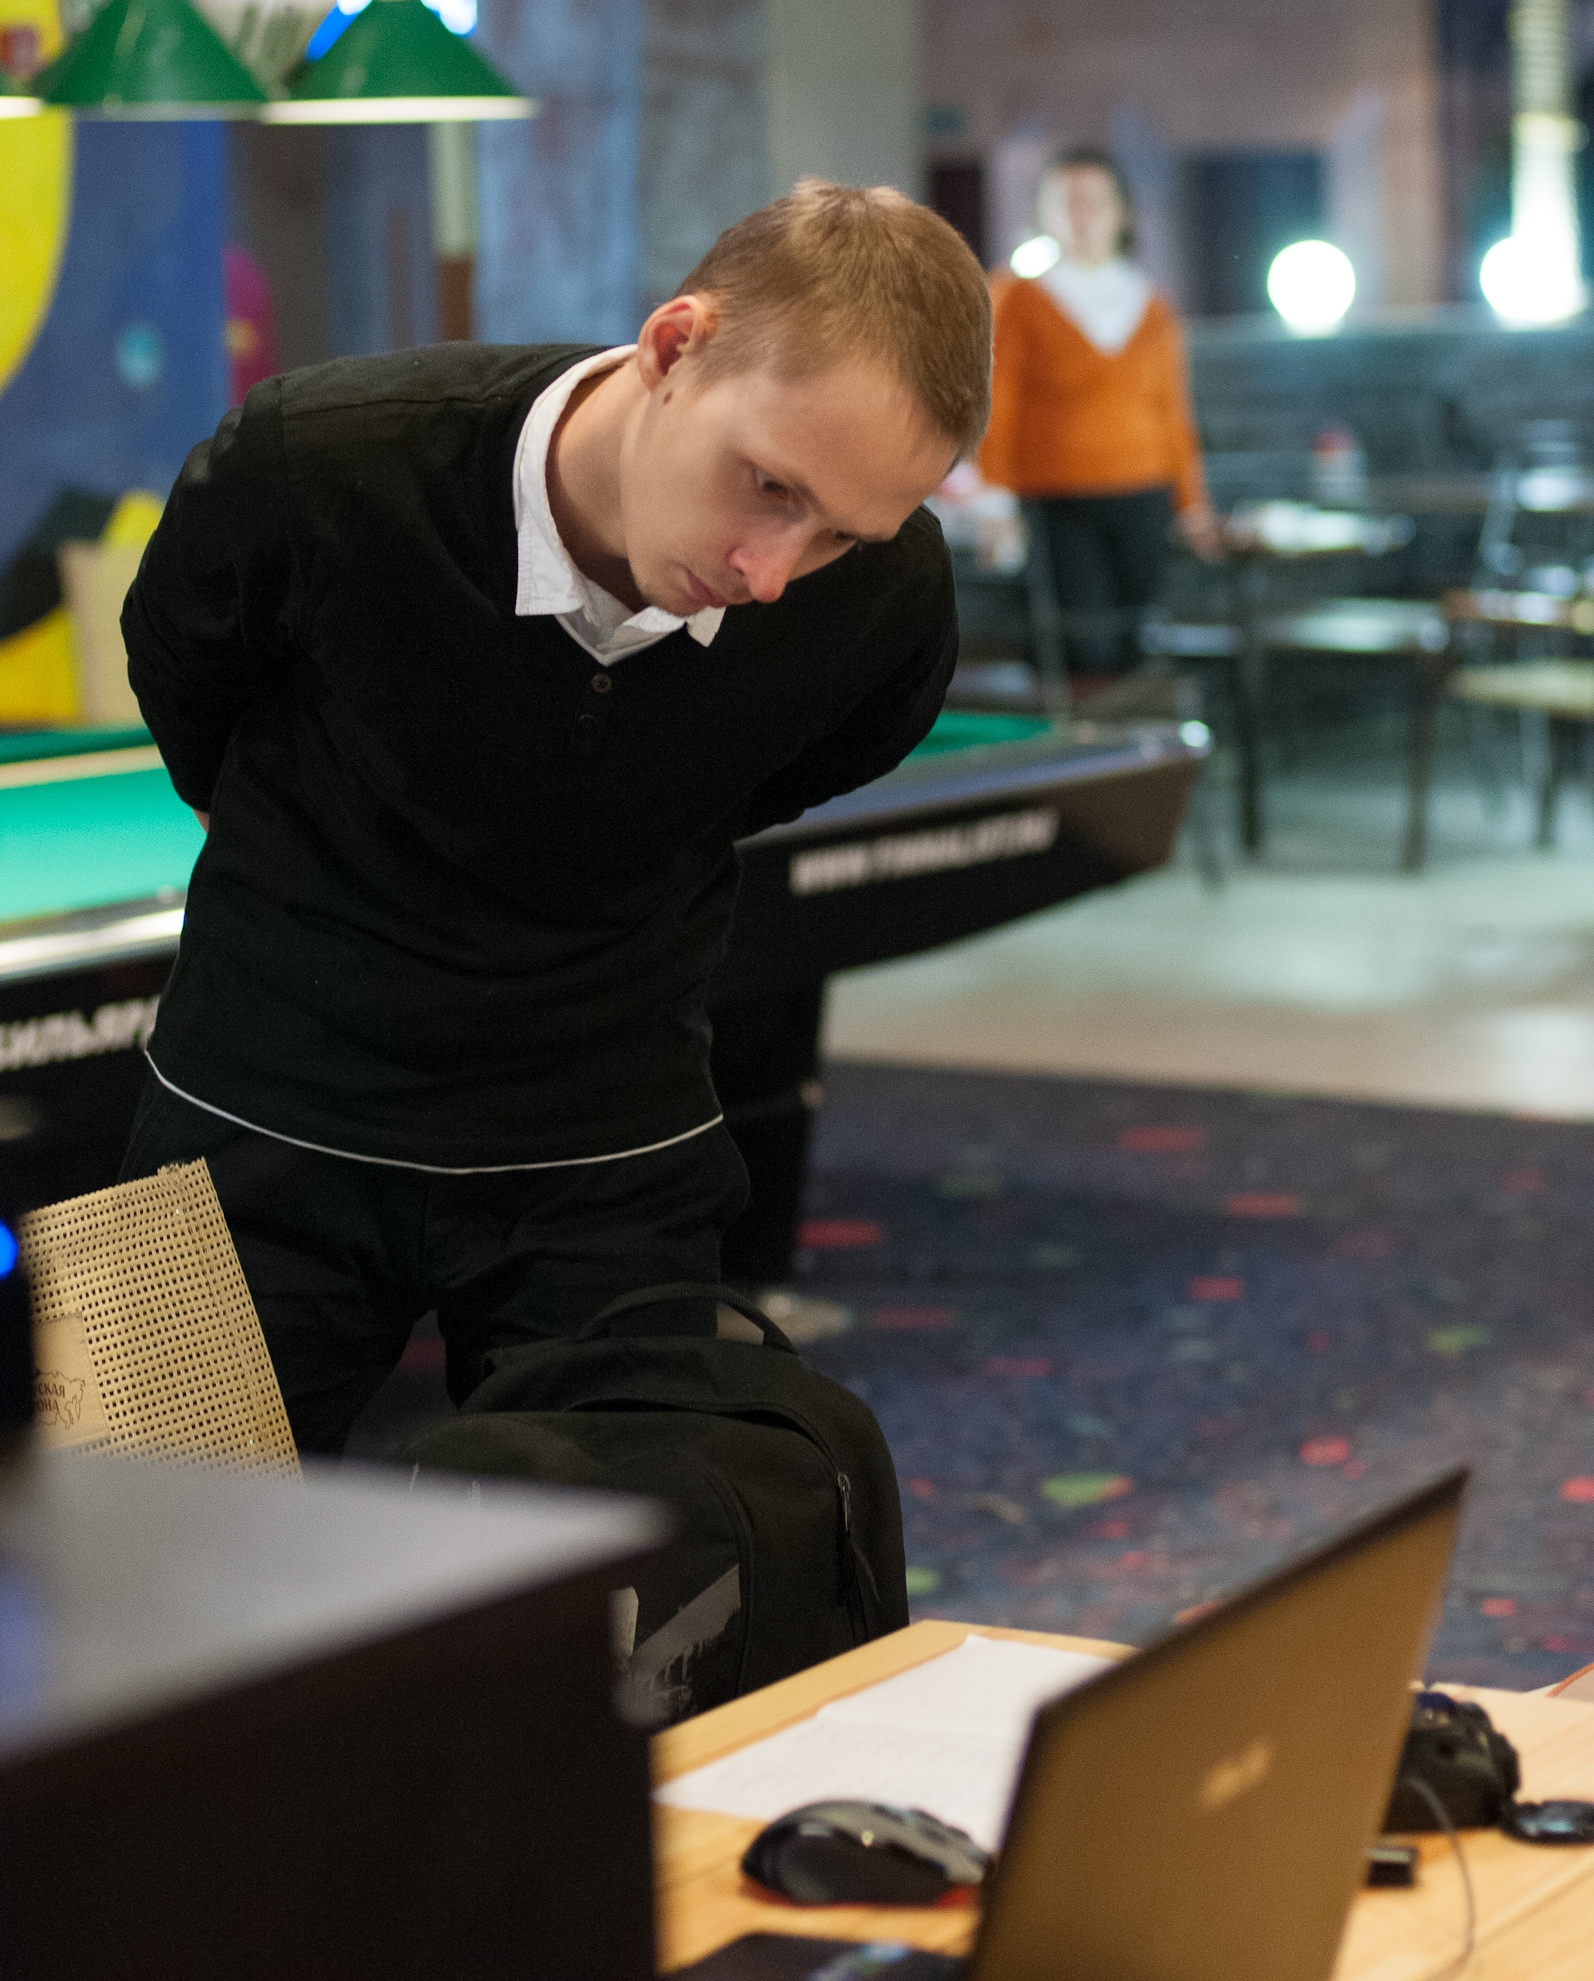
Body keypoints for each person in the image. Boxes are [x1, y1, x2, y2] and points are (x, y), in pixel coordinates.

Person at [119, 181, 991, 1454]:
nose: (770, 574)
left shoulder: (890, 596)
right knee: (128, 1537)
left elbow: (823, 754)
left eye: (837, 536)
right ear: (675, 347)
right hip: (243, 1103)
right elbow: (182, 674)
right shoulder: (314, 457)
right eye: (765, 484)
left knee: (647, 1565)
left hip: (616, 1140)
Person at [980, 149, 1219, 688]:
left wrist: (1192, 502)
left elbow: (1172, 410)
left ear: (1122, 212)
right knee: (1081, 644)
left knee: (1136, 640)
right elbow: (998, 401)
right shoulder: (1017, 297)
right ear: (1044, 214)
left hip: (1144, 493)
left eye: (1094, 202)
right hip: (1056, 500)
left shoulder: (1150, 303)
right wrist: (993, 499)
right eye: (1066, 203)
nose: (1081, 217)